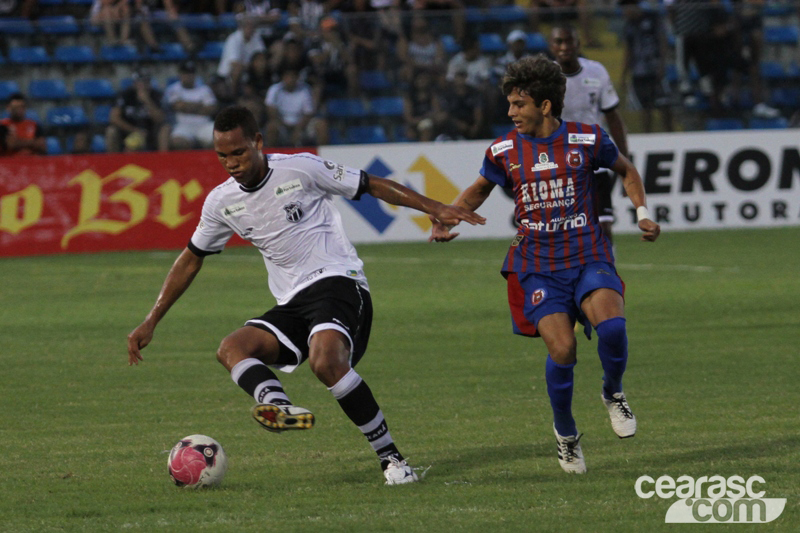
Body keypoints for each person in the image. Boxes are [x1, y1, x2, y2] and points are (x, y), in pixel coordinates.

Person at [127, 105, 486, 484]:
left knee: (325, 361)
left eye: (239, 152)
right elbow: (190, 260)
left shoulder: (301, 168)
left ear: (258, 142)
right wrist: (152, 319)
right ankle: (277, 405)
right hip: (292, 302)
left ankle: (393, 460)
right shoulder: (220, 202)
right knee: (231, 348)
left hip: (338, 281)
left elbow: (370, 184)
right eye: (222, 156)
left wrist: (435, 208)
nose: (231, 163)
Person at [429, 55, 660, 474]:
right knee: (564, 347)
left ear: (545, 105)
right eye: (511, 104)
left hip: (588, 253)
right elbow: (479, 189)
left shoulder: (589, 139)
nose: (510, 112)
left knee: (612, 326)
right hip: (537, 265)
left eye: (519, 104)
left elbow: (626, 170)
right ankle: (566, 434)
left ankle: (613, 392)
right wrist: (446, 215)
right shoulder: (503, 150)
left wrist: (642, 212)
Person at [549, 24, 629, 244]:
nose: (564, 47)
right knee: (564, 231)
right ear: (552, 47)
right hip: (559, 163)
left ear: (578, 44)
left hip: (595, 161)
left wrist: (625, 161)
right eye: (559, 42)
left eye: (569, 41)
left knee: (603, 226)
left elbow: (613, 116)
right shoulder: (546, 78)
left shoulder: (597, 71)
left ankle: (606, 276)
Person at [106, 68, 168, 153]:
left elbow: (160, 119)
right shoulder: (125, 95)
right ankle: (112, 163)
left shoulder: (156, 96)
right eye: (141, 82)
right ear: (135, 83)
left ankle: (163, 161)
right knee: (111, 131)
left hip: (150, 132)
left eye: (146, 81)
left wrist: (147, 101)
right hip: (128, 130)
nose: (144, 85)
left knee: (165, 129)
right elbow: (114, 118)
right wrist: (134, 130)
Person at [264, 69, 327, 147]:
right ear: (283, 78)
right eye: (287, 77)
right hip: (282, 124)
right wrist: (284, 125)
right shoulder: (274, 89)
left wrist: (298, 129)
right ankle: (270, 157)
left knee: (321, 125)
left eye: (293, 77)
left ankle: (322, 155)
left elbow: (308, 113)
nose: (290, 79)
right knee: (271, 127)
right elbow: (271, 112)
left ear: (297, 78)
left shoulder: (305, 89)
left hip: (302, 124)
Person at [164, 61, 218, 150]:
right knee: (177, 141)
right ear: (180, 74)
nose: (188, 76)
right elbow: (178, 106)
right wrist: (200, 105)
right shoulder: (173, 89)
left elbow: (211, 109)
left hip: (204, 124)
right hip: (183, 126)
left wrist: (186, 106)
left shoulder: (204, 89)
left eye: (191, 73)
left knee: (220, 138)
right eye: (185, 73)